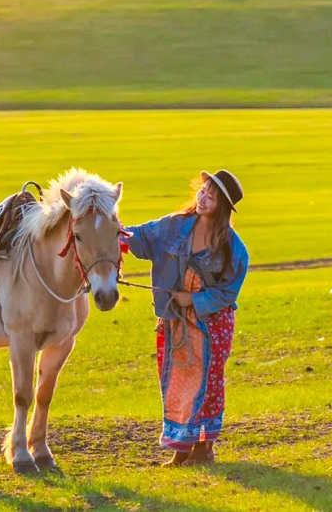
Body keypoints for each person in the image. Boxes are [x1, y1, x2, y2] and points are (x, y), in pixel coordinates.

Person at [122, 170, 249, 467]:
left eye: (212, 197)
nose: (204, 199)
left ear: (223, 207)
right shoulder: (173, 227)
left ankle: (204, 448)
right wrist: (109, 232)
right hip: (175, 321)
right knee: (177, 384)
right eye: (203, 192)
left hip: (211, 325)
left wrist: (193, 299)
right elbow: (140, 237)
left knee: (208, 383)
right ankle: (181, 450)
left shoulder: (233, 248)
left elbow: (228, 292)